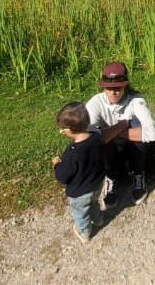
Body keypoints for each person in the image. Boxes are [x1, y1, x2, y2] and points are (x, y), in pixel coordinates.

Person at [85, 61, 155, 208]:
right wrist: (123, 124)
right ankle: (110, 177)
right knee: (98, 141)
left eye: (118, 87)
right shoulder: (95, 103)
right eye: (109, 88)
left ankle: (138, 173)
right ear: (103, 86)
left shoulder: (135, 100)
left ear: (125, 85)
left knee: (141, 136)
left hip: (132, 148)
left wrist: (113, 131)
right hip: (110, 151)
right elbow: (89, 137)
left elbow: (152, 134)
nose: (113, 92)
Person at [51, 102, 105, 243]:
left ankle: (85, 232)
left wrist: (57, 165)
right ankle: (98, 219)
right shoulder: (96, 137)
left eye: (63, 129)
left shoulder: (72, 154)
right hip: (96, 185)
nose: (63, 131)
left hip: (80, 193)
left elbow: (63, 176)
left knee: (80, 213)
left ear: (71, 130)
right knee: (94, 203)